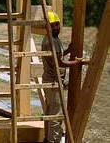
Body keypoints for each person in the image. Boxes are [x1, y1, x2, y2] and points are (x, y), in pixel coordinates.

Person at [42, 10, 87, 143]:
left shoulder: (54, 39)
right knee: (56, 115)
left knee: (50, 112)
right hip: (53, 82)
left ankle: (48, 138)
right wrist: (77, 62)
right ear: (47, 27)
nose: (56, 27)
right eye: (53, 25)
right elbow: (60, 62)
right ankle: (53, 141)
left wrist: (67, 50)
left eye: (57, 25)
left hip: (50, 80)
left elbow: (58, 56)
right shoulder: (51, 41)